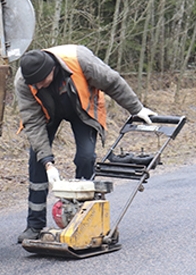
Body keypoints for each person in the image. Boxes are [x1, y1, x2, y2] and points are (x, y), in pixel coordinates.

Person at [14, 46, 157, 243]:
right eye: (34, 84)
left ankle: (83, 221)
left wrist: (137, 109)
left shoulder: (81, 61)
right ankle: (34, 225)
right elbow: (32, 121)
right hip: (46, 114)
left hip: (82, 109)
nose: (37, 86)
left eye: (41, 81)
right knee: (37, 159)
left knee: (86, 157)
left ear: (52, 69)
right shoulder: (24, 79)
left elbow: (113, 82)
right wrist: (48, 163)